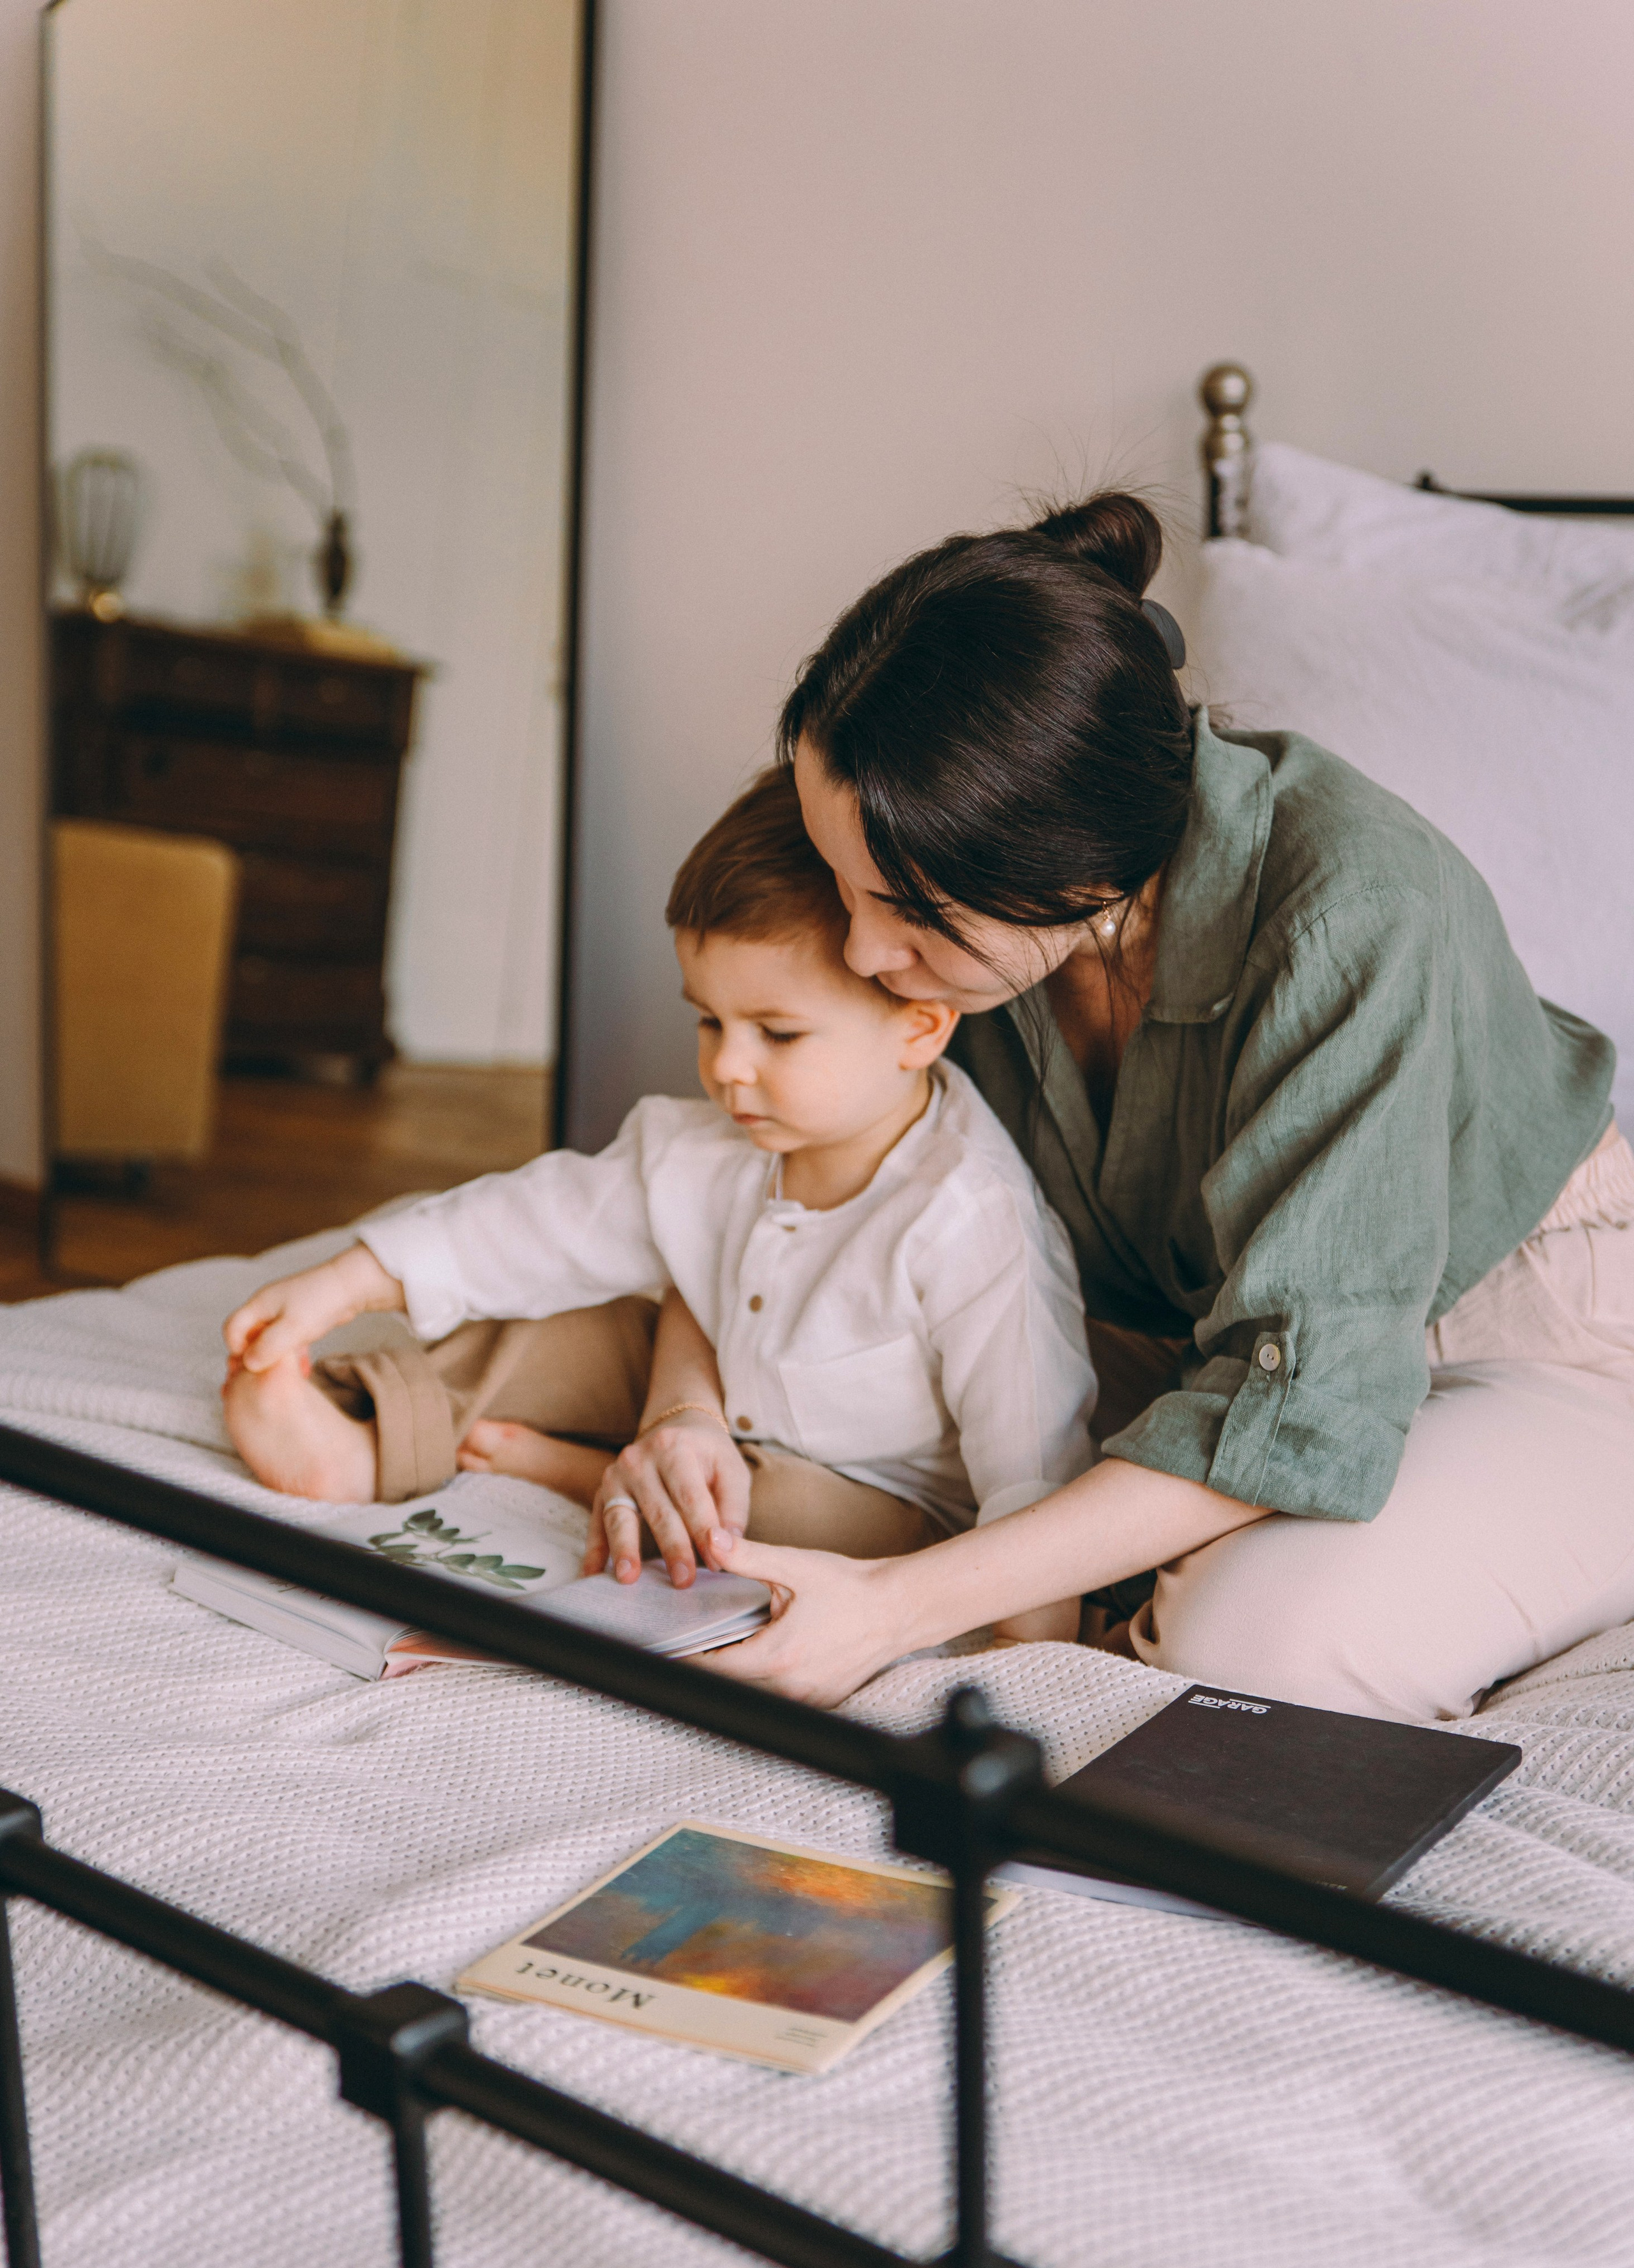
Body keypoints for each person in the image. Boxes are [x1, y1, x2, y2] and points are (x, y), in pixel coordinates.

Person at [611, 491, 1634, 1724]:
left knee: (1260, 1645)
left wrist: (896, 1608)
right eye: (844, 885)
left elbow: (1297, 1396)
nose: (864, 952)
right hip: (1196, 1335)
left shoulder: (1355, 908)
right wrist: (682, 1415)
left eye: (907, 914)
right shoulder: (958, 885)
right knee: (627, 1326)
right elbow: (757, 1176)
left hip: (1532, 1334)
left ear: (1079, 879)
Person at [220, 768, 1095, 1636]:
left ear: (921, 1025)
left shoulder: (973, 1225)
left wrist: (1036, 1641)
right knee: (542, 1320)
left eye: (777, 1034)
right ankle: (370, 1429)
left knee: (793, 1511)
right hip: (707, 1386)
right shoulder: (701, 1145)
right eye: (710, 1022)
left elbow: (1032, 1469)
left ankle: (578, 1470)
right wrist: (348, 1281)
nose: (727, 1068)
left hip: (870, 1488)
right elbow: (531, 1225)